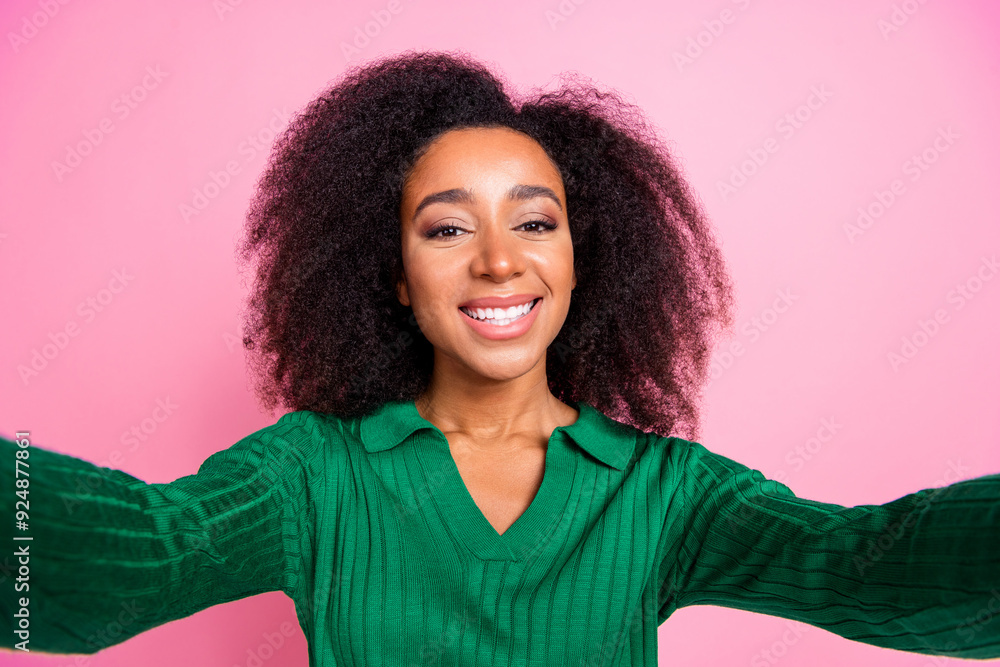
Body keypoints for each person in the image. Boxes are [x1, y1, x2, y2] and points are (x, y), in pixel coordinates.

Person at [2, 50, 998, 666]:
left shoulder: (663, 494)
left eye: (534, 221)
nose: (496, 260)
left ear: (581, 254)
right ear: (390, 274)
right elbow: (141, 552)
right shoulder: (313, 475)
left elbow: (869, 564)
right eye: (444, 230)